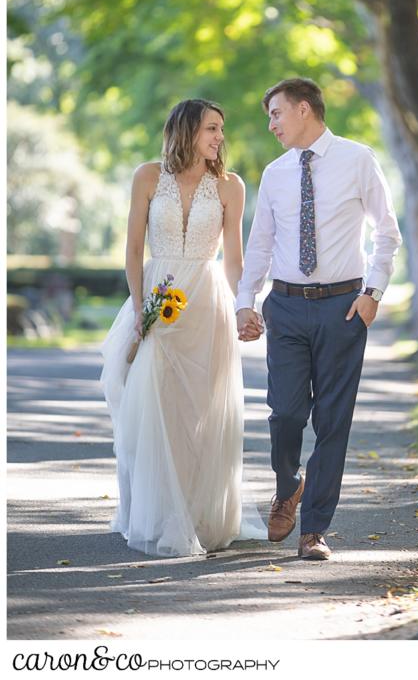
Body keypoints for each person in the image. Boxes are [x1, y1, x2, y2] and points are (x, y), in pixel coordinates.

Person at [236, 77, 402, 562]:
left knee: (333, 421)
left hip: (342, 307)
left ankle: (314, 531)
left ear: (304, 109)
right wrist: (246, 301)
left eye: (276, 114)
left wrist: (373, 293)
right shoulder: (275, 174)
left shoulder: (358, 159)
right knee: (285, 412)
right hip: (285, 306)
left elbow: (386, 233)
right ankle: (288, 485)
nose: (271, 124)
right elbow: (260, 244)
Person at [100, 98, 267, 556]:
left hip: (207, 303)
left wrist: (244, 307)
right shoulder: (148, 177)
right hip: (157, 297)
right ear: (187, 129)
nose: (219, 137)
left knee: (203, 411)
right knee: (160, 407)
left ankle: (200, 514)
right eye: (212, 128)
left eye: (221, 129)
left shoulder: (231, 186)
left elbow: (233, 261)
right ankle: (162, 514)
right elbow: (133, 252)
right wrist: (139, 313)